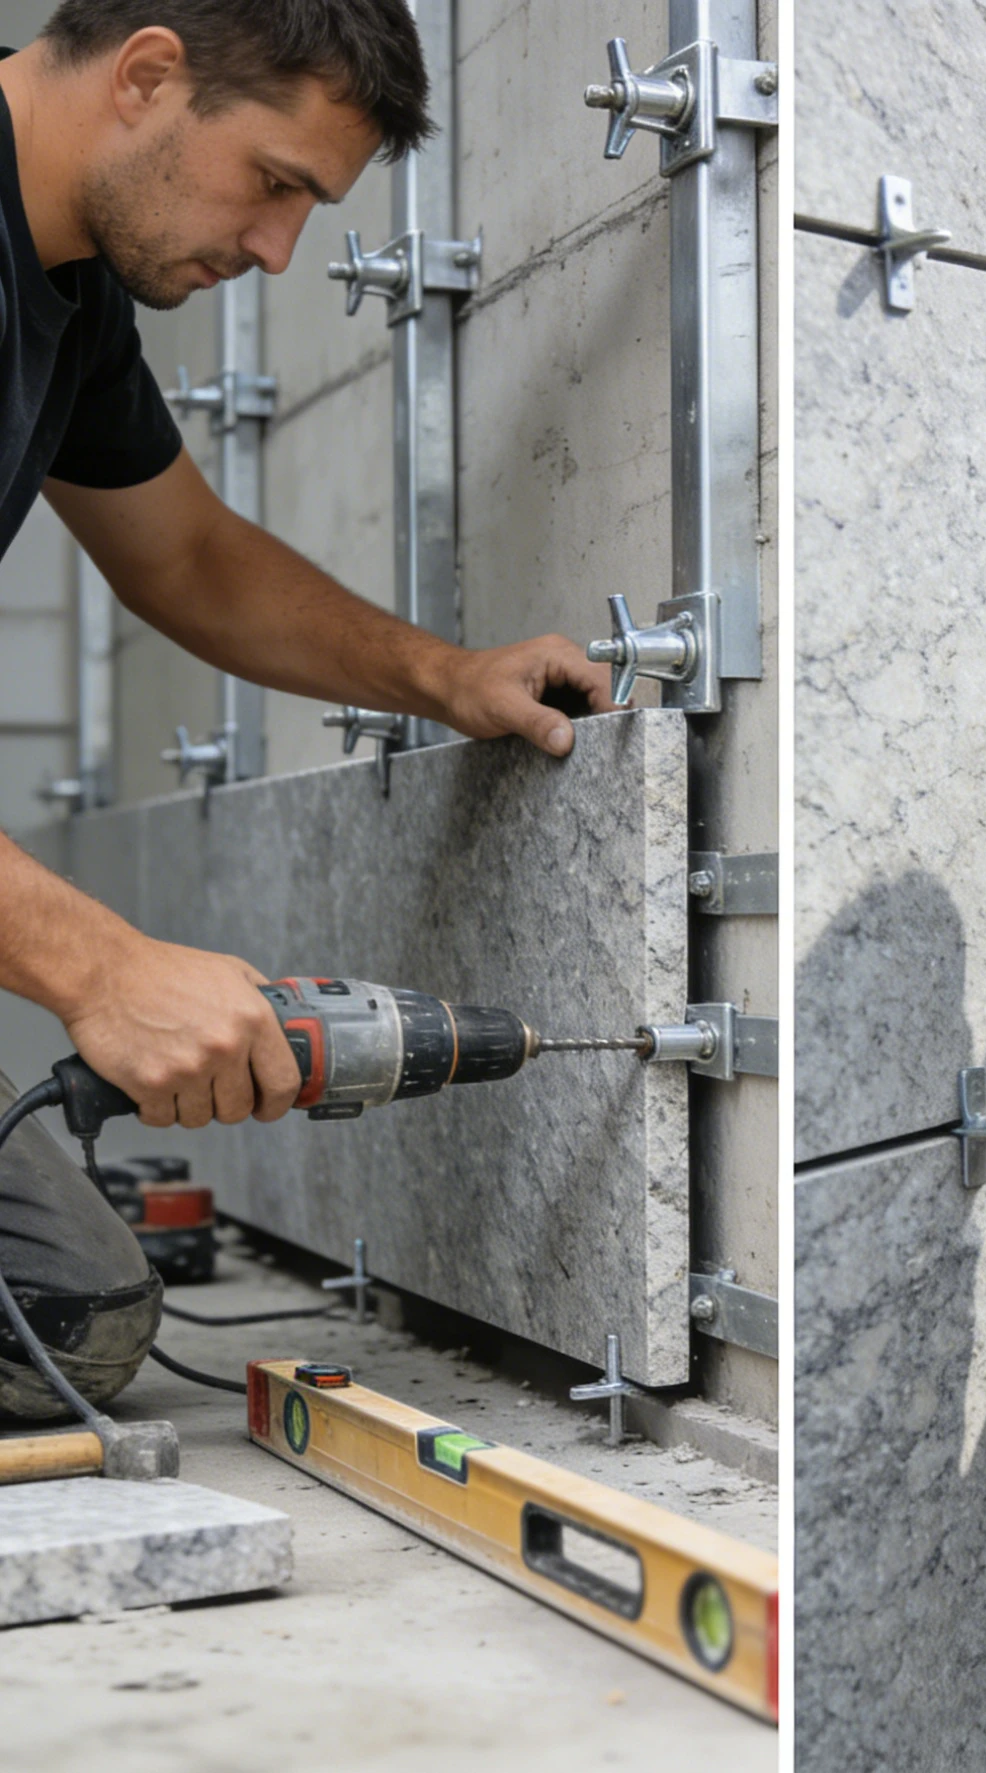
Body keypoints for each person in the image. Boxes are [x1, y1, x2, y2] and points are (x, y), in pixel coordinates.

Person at [0, 1, 613, 1417]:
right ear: (149, 74)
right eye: (274, 183)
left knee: (64, 1318)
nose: (276, 250)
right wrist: (104, 970)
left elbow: (191, 560)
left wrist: (443, 676)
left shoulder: (69, 289)